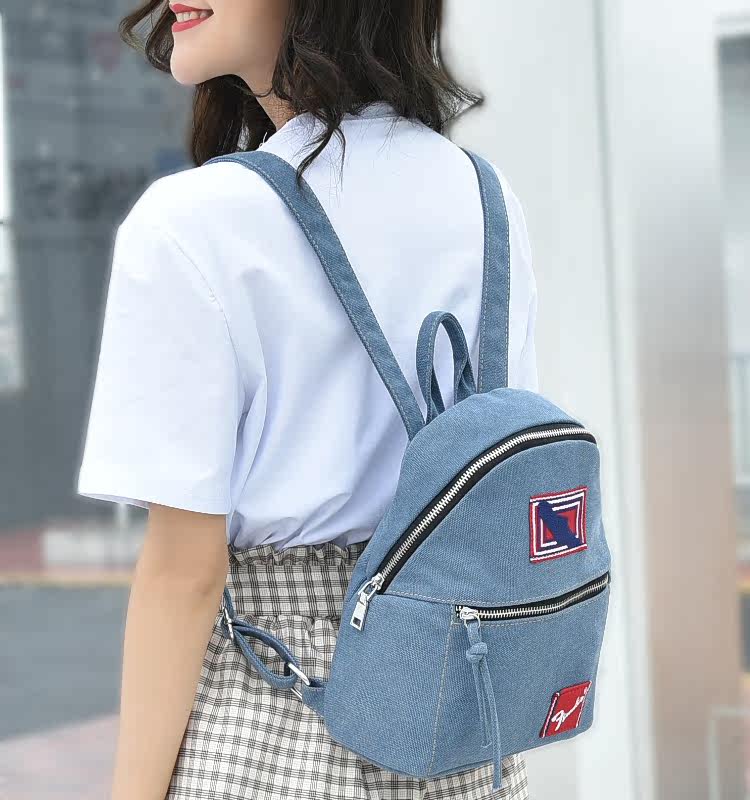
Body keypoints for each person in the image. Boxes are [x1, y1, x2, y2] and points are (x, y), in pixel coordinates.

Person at [76, 1, 538, 798]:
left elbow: (184, 576)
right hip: (463, 736)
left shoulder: (194, 222)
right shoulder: (488, 198)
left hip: (270, 718)